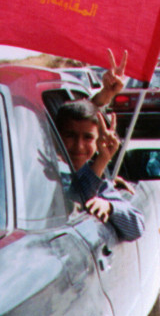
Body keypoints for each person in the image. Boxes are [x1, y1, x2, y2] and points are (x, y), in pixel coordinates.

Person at [55, 99, 144, 241]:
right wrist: (101, 161)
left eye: (88, 137)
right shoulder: (49, 174)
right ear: (56, 138)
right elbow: (73, 204)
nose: (79, 146)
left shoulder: (97, 179)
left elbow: (136, 228)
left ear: (98, 141)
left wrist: (110, 207)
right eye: (70, 136)